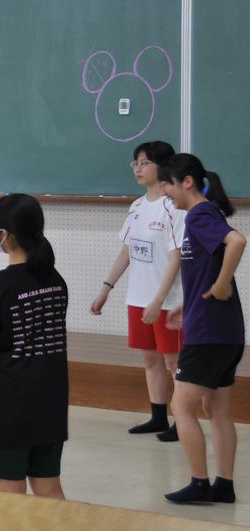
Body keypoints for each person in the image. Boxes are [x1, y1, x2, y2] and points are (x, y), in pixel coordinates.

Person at [0, 194, 67, 498]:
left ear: (3, 236)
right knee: (49, 489)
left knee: (10, 497)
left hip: (7, 406)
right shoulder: (55, 280)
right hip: (50, 401)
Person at [158, 153, 245, 504]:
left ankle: (199, 483)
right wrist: (190, 302)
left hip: (209, 334)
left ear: (187, 182)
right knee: (217, 408)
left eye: (168, 184)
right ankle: (224, 486)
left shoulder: (199, 214)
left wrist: (222, 286)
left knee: (181, 407)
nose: (166, 192)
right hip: (225, 331)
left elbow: (237, 242)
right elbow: (208, 266)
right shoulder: (205, 215)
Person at [91, 141, 184, 442]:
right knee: (150, 360)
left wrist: (159, 300)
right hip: (138, 298)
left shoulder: (174, 207)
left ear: (163, 166)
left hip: (168, 301)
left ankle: (183, 421)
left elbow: (177, 258)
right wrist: (106, 288)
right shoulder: (137, 206)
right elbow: (127, 252)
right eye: (135, 163)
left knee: (174, 363)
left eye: (145, 163)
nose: (138, 169)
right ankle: (158, 417)